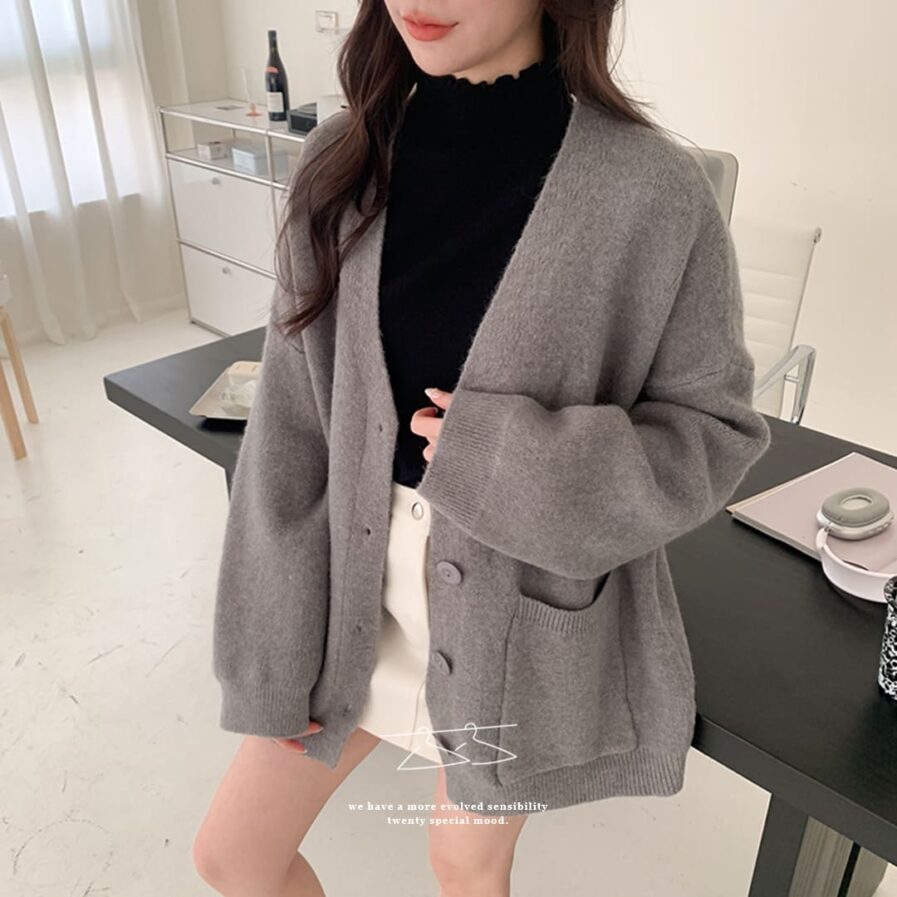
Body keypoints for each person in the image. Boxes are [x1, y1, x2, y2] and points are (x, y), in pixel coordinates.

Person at [193, 1, 772, 895]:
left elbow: (712, 430)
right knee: (234, 855)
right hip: (347, 595)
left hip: (520, 617)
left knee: (463, 867)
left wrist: (514, 462)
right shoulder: (341, 160)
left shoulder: (651, 190)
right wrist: (272, 648)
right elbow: (290, 428)